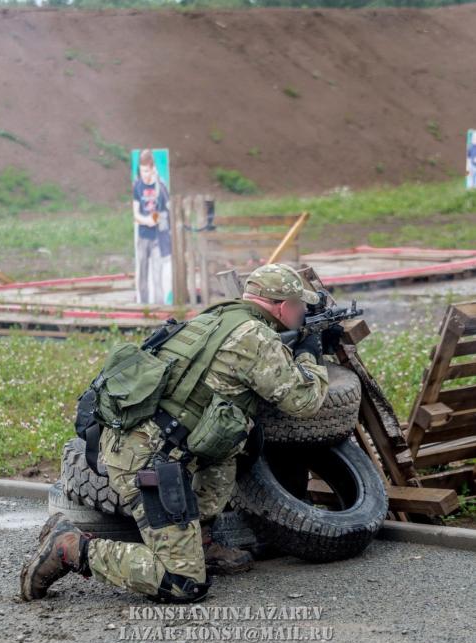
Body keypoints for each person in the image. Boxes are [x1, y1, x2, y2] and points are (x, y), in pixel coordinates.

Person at [21, 264, 335, 605]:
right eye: (299, 307)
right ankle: (70, 548)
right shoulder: (255, 338)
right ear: (281, 306)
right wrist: (310, 353)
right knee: (182, 583)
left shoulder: (216, 317)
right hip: (149, 461)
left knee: (232, 438)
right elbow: (304, 401)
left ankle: (199, 542)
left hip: (150, 440)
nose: (302, 313)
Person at [133, 150, 172, 305]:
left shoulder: (160, 186)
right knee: (142, 275)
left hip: (157, 238)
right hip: (143, 236)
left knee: (157, 276)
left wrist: (156, 181)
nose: (145, 174)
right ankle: (143, 306)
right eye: (142, 171)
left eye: (147, 171)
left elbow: (168, 206)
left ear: (153, 168)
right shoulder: (137, 186)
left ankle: (160, 309)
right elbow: (135, 213)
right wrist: (145, 220)